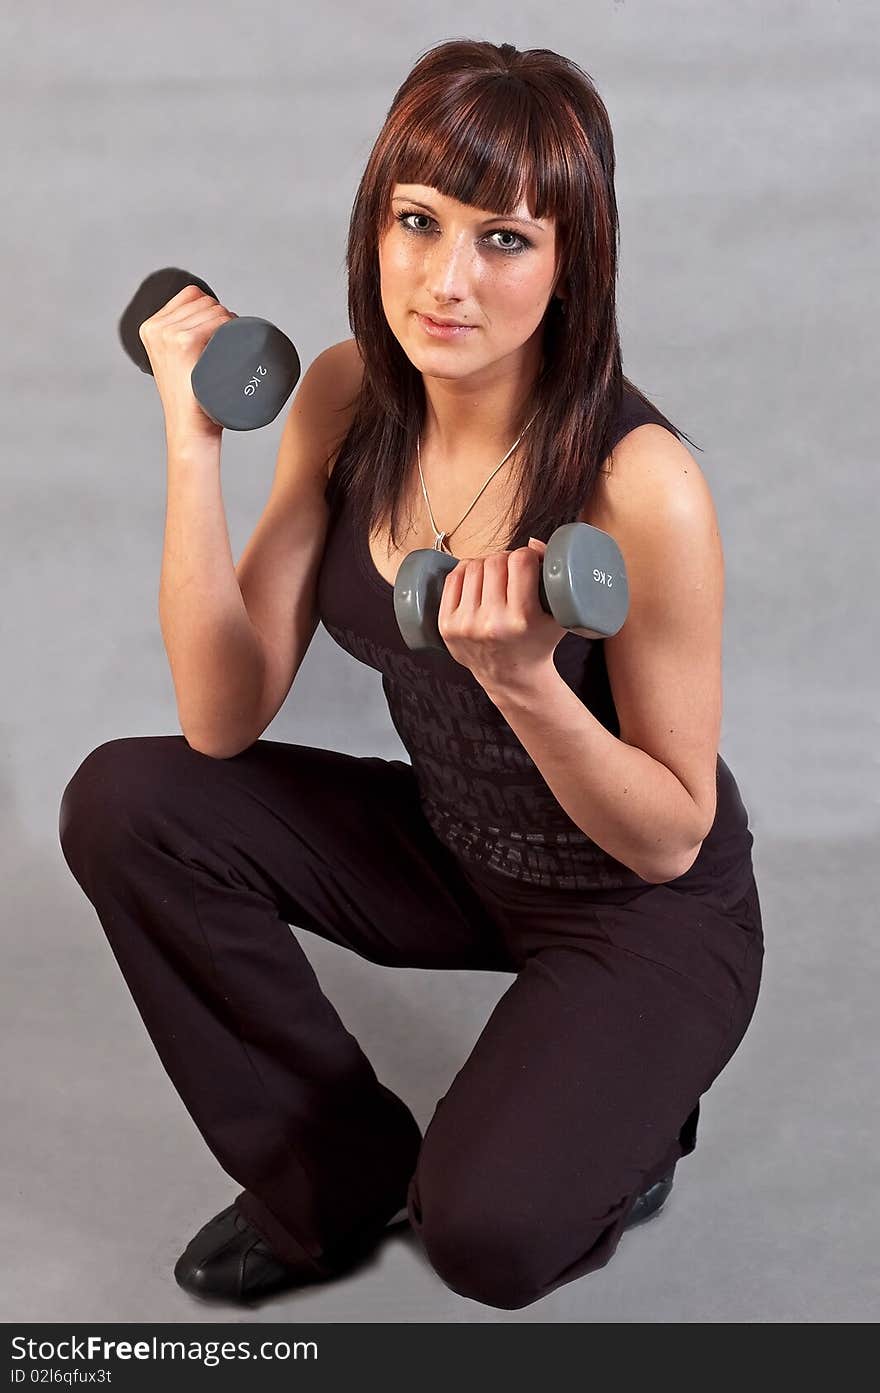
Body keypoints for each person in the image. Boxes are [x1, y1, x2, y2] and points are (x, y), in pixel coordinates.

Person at [58, 38, 763, 1311]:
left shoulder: (638, 482)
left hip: (638, 906)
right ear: (373, 224)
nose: (445, 280)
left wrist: (530, 681)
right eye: (416, 220)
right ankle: (330, 1172)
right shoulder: (342, 399)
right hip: (453, 844)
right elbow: (222, 717)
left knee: (486, 1236)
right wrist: (190, 441)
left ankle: (642, 1108)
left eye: (504, 239)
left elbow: (670, 837)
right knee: (127, 801)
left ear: (571, 265)